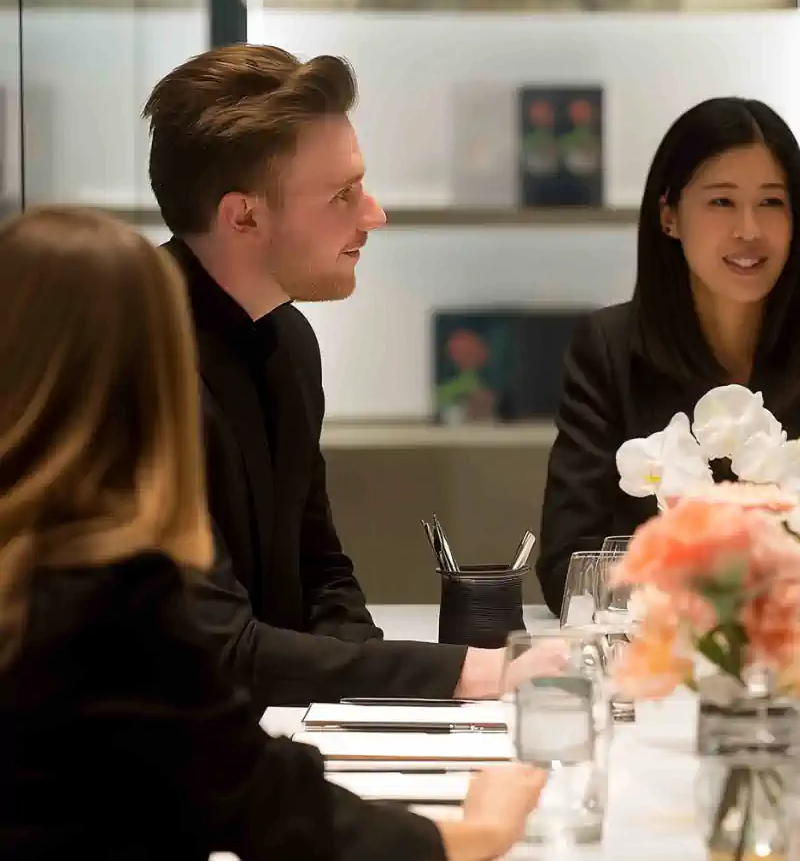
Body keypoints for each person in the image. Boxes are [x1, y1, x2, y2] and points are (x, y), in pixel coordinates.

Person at [0, 207, 546, 861]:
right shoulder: (109, 602)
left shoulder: (52, 584)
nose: (370, 212)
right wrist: (481, 830)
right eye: (340, 193)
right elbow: (268, 808)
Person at [143, 44, 541, 708]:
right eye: (343, 195)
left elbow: (321, 575)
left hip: (256, 738)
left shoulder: (290, 340)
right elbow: (213, 645)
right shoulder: (132, 357)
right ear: (244, 216)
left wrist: (376, 702)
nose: (373, 215)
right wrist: (465, 675)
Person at [536, 96, 800, 614]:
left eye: (772, 203)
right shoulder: (607, 348)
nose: (749, 229)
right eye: (721, 202)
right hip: (663, 663)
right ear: (669, 216)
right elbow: (572, 568)